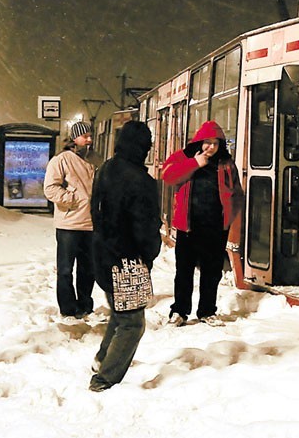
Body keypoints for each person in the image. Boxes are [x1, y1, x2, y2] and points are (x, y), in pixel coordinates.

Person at [89, 120, 161, 391]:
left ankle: (102, 359)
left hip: (103, 254)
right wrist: (149, 254)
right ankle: (104, 379)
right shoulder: (141, 181)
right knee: (132, 323)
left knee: (121, 314)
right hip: (127, 261)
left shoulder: (105, 169)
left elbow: (95, 210)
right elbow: (146, 228)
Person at [162, 120, 243, 327]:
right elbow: (168, 176)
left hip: (215, 227)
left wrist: (228, 218)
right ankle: (179, 310)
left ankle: (207, 310)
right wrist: (195, 163)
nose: (211, 148)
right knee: (184, 271)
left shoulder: (226, 163)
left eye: (215, 144)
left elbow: (236, 192)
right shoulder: (184, 157)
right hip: (187, 226)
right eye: (207, 143)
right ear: (199, 141)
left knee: (211, 272)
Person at [43, 121, 103, 318]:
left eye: (90, 135)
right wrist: (74, 199)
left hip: (91, 223)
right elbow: (50, 188)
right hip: (69, 224)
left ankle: (85, 305)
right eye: (85, 136)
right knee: (66, 270)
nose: (89, 139)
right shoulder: (60, 160)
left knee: (88, 269)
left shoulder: (96, 159)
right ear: (74, 138)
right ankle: (68, 309)